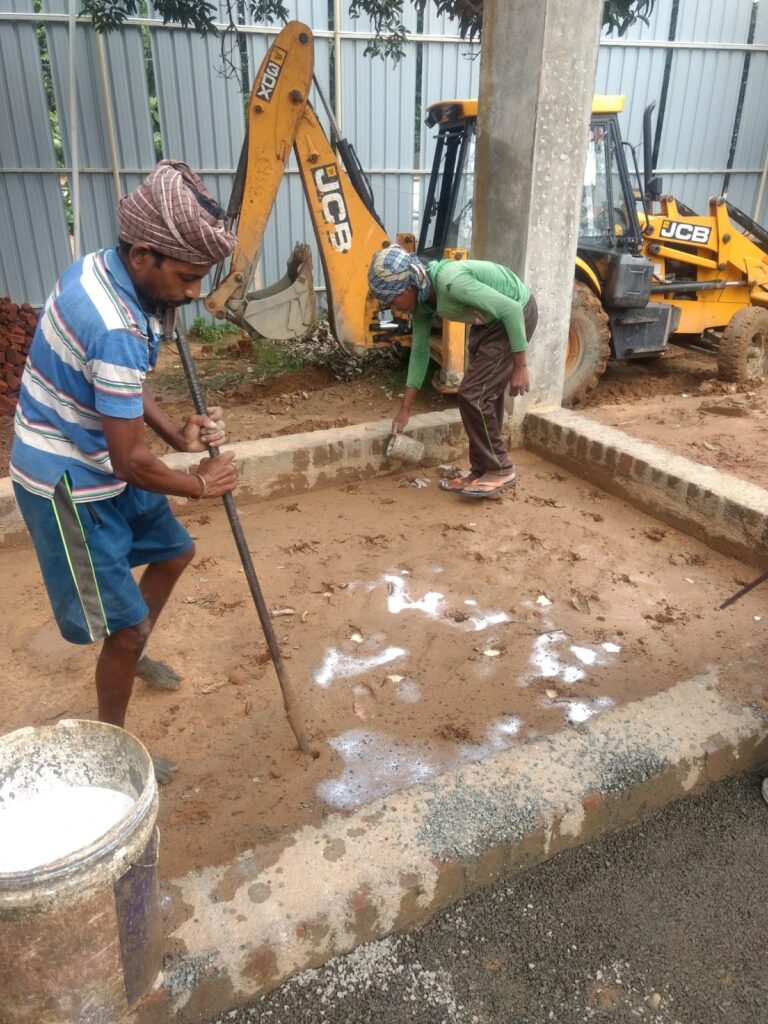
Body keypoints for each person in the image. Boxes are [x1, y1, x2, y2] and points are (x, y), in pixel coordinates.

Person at [10, 160, 238, 783]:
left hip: (99, 456)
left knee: (174, 552)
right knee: (125, 626)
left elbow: (124, 388)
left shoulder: (105, 270)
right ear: (143, 255)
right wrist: (200, 483)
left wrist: (178, 435)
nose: (193, 293)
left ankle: (130, 647)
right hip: (67, 482)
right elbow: (130, 461)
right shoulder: (114, 325)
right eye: (186, 278)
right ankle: (114, 753)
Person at [368, 246, 538, 498]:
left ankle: (500, 469)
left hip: (516, 312)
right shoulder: (422, 303)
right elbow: (419, 352)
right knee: (481, 394)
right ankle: (480, 470)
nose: (395, 308)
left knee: (473, 395)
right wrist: (405, 409)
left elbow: (511, 309)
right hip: (487, 322)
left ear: (406, 289)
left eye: (393, 301)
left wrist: (520, 367)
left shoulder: (451, 283)